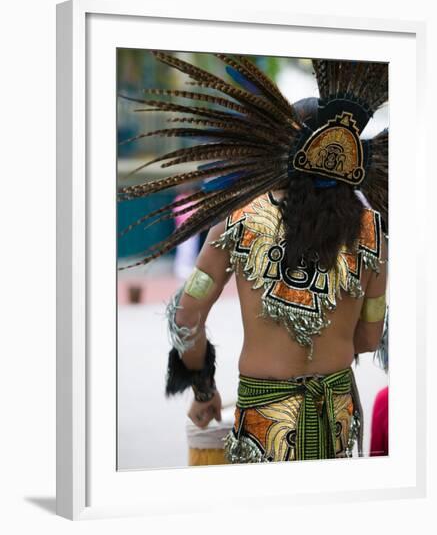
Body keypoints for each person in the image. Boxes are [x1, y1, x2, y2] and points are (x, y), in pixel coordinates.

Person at [119, 53, 389, 462]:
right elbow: (369, 338)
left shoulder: (238, 219)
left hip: (264, 428)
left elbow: (186, 317)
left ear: (276, 148)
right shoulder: (371, 230)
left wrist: (204, 390)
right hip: (336, 420)